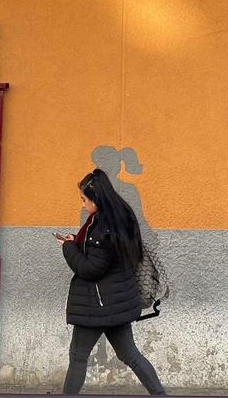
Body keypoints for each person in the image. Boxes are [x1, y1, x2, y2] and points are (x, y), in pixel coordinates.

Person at [56, 168, 166, 395]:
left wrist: (68, 248)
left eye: (84, 200)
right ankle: (160, 395)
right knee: (130, 355)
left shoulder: (101, 228)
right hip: (116, 303)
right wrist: (76, 242)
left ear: (96, 199)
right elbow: (101, 256)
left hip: (99, 305)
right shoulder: (116, 217)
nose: (83, 204)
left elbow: (90, 268)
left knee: (77, 357)